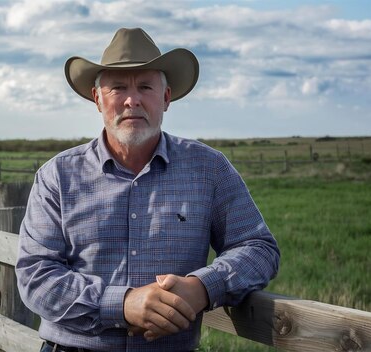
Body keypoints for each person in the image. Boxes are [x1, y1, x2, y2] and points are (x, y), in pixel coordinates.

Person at [16, 27, 280, 352]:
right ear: (97, 99)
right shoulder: (57, 176)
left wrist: (202, 287)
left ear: (166, 98)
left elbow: (258, 248)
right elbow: (36, 276)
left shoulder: (208, 168)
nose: (132, 100)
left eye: (145, 87)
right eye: (117, 88)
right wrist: (123, 304)